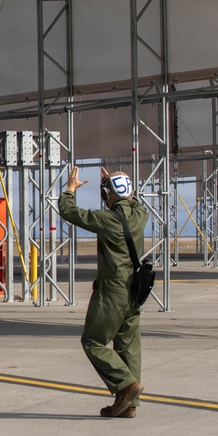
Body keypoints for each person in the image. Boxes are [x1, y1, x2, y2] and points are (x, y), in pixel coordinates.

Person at [58, 167, 148, 418]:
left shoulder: (108, 220)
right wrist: (117, 182)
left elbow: (69, 212)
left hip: (112, 291)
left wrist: (70, 190)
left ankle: (127, 384)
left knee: (92, 341)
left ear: (108, 193)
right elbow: (132, 201)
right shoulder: (141, 214)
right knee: (128, 346)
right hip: (134, 292)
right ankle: (128, 404)